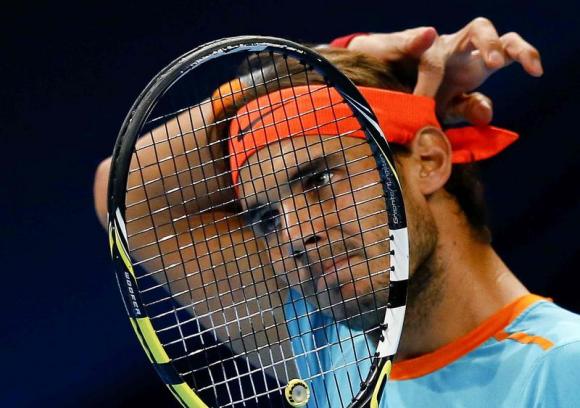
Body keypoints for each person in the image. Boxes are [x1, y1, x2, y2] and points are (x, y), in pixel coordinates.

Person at [94, 18, 580, 407]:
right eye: (267, 218)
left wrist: (329, 68)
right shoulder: (331, 346)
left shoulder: (565, 369)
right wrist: (334, 58)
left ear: (428, 161)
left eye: (319, 180)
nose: (295, 234)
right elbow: (123, 194)